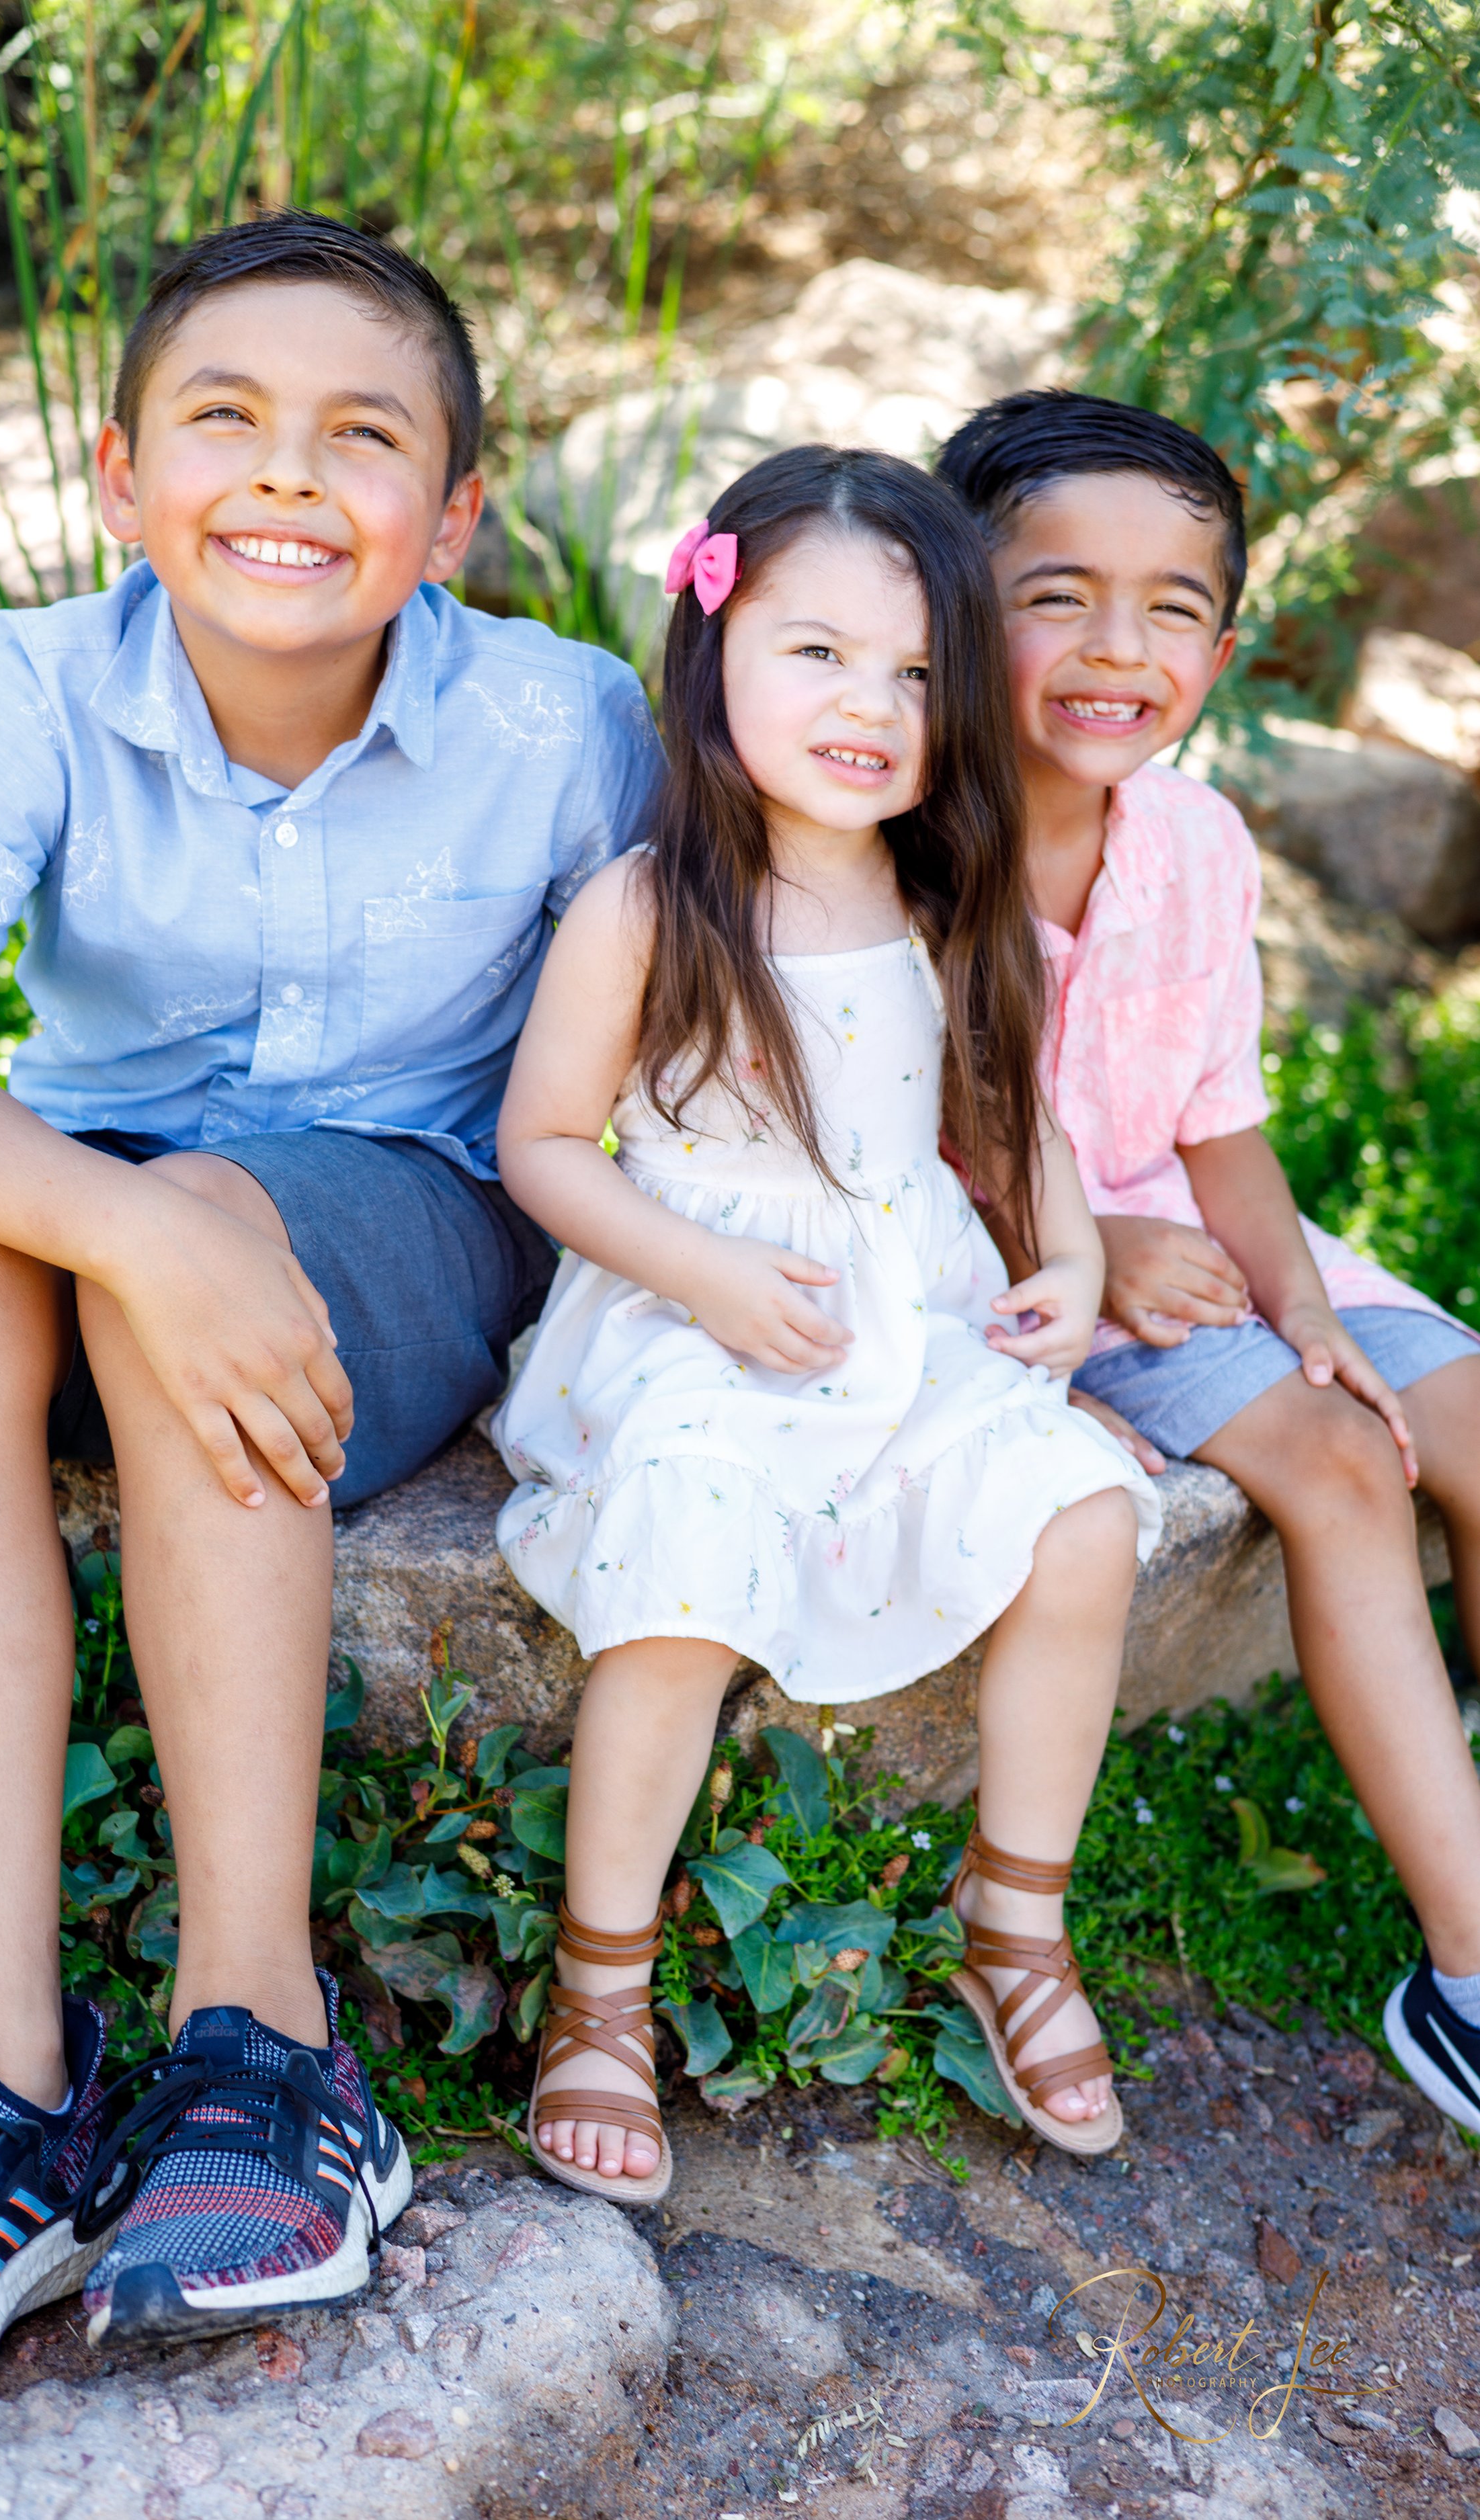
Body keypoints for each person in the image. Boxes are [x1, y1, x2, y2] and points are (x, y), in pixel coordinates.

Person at [0, 210, 662, 2417]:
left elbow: (693, 1049)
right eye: (226, 422)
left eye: (362, 435)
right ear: (118, 476)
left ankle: (266, 2043)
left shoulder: (559, 720)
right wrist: (154, 1239)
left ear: (454, 511)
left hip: (411, 1231)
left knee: (178, 1203)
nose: (289, 476)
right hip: (110, 1212)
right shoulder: (37, 678)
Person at [488, 445, 1162, 2203]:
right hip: (695, 1316)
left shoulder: (939, 907)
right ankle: (600, 1989)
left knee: (1084, 1517)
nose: (869, 705)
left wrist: (1072, 1266)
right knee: (686, 1568)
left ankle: (1013, 1918)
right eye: (815, 652)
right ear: (712, 651)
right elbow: (544, 1147)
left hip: (905, 1317)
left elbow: (1016, 1127)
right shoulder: (649, 906)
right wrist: (702, 1275)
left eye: (917, 672)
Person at [936, 388, 1480, 2135]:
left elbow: (1220, 1120)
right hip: (1000, 1263)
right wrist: (1101, 1253)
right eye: (1057, 594)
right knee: (1332, 1464)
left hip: (1195, 1229)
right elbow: (904, 1144)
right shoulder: (902, 853)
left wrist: (1305, 1298)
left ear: (1223, 646)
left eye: (1170, 606)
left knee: (1460, 1421)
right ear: (951, 604)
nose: (1119, 646)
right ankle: (1466, 1969)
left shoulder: (1192, 842)